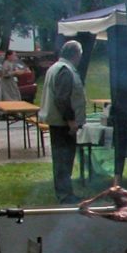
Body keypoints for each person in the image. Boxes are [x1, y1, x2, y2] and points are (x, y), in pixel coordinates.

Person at [39, 40, 86, 203]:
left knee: (63, 160)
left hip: (58, 123)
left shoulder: (56, 67)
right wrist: (71, 120)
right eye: (80, 54)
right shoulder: (65, 70)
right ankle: (65, 195)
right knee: (63, 160)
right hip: (62, 124)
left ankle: (65, 192)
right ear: (76, 54)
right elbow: (62, 98)